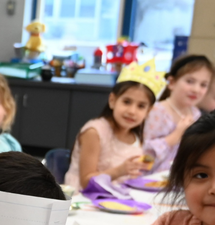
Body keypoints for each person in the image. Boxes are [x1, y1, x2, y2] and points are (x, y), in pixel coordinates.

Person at [64, 59, 163, 189]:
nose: (132, 111)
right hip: (83, 200)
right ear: (112, 100)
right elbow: (85, 182)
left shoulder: (136, 138)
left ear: (148, 111)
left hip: (117, 200)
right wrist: (120, 171)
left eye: (141, 106)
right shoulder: (95, 132)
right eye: (127, 102)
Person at [143, 54, 213, 173]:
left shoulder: (195, 113)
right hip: (150, 179)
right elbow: (144, 154)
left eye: (203, 85)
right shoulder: (157, 111)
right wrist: (176, 135)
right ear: (172, 82)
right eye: (190, 81)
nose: (196, 89)